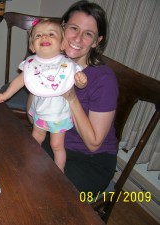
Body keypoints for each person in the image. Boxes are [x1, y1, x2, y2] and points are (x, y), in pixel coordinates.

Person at [33, 0, 119, 195]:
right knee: (16, 167)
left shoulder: (104, 80)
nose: (78, 39)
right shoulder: (53, 62)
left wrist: (71, 97)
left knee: (40, 192)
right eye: (73, 28)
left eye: (88, 34)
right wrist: (39, 73)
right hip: (55, 144)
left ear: (97, 41)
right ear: (63, 27)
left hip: (89, 161)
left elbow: (93, 142)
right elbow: (34, 118)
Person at [0, 18, 87, 172]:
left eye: (51, 34)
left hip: (59, 116)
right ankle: (29, 162)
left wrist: (81, 81)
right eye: (38, 36)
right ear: (32, 46)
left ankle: (60, 172)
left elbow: (79, 84)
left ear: (63, 44)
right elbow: (19, 81)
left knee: (56, 146)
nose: (44, 37)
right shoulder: (30, 64)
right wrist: (6, 95)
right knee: (35, 139)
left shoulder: (68, 65)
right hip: (39, 113)